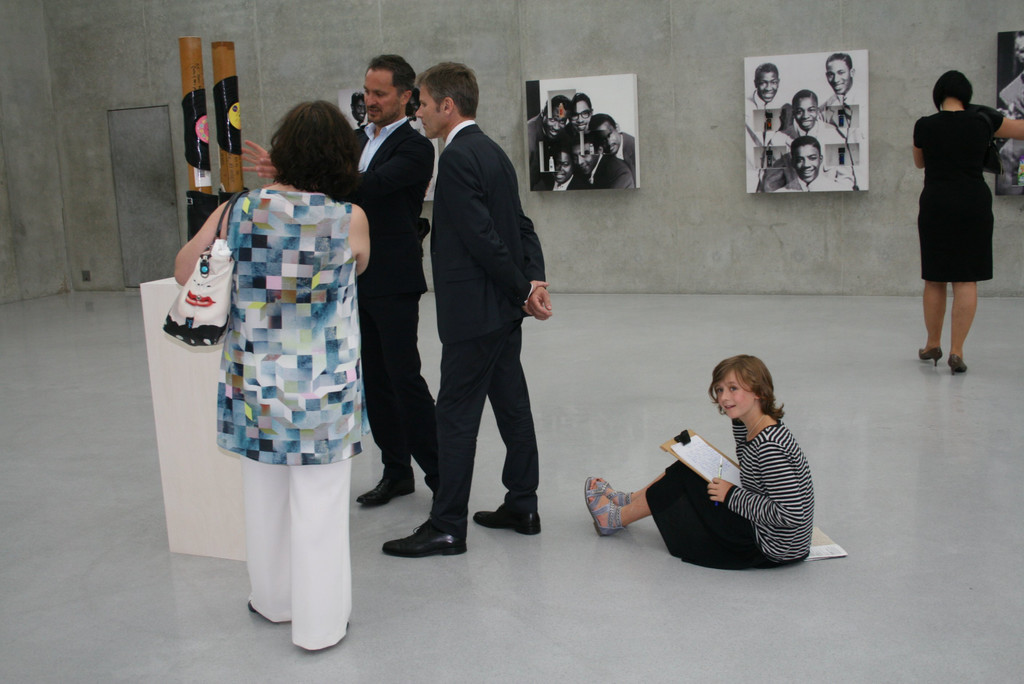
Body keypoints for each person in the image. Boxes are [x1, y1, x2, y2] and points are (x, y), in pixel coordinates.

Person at [175, 101, 369, 649]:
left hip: (255, 384)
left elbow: (185, 269)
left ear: (282, 153)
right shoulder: (348, 218)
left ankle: (273, 600)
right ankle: (319, 626)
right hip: (323, 390)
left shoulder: (237, 210)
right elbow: (360, 264)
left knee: (263, 499)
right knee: (320, 508)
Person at [243, 55, 440, 508]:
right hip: (346, 278)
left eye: (380, 93)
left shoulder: (416, 149)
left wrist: (297, 176)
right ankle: (396, 472)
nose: (369, 100)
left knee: (404, 379)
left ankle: (441, 477)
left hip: (392, 279)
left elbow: (366, 186)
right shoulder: (353, 140)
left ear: (406, 97)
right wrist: (291, 175)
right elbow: (332, 182)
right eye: (367, 92)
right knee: (374, 382)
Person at [383, 62, 552, 558]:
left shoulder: (457, 157)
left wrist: (523, 289)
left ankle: (447, 526)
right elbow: (520, 225)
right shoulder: (493, 152)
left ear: (447, 105)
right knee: (512, 407)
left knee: (454, 417)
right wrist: (533, 282)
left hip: (475, 314)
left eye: (422, 104)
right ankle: (522, 505)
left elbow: (483, 238)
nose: (418, 113)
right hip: (500, 312)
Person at [584, 355, 814, 570]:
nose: (724, 398)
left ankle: (614, 519)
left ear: (759, 392)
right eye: (720, 389)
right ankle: (629, 500)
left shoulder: (769, 447)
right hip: (771, 534)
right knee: (687, 466)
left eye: (733, 388)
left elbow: (791, 514)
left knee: (684, 477)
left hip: (771, 547)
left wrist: (731, 495)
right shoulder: (748, 424)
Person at [913, 70, 1024, 373]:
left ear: (939, 95)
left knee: (935, 277)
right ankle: (957, 350)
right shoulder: (984, 121)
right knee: (966, 278)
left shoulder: (924, 125)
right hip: (973, 203)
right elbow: (1020, 130)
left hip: (936, 202)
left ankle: (932, 343)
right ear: (966, 95)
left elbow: (919, 162)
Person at [760, 136, 851, 192]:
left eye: (812, 158)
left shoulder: (840, 190)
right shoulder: (780, 194)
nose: (806, 165)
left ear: (820, 159)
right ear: (793, 162)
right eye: (800, 160)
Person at [526, 94, 571, 188]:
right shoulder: (529, 136)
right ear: (543, 114)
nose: (556, 127)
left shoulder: (564, 135)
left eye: (562, 121)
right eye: (553, 119)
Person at [589, 113, 636, 184]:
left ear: (617, 128)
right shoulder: (603, 154)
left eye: (609, 135)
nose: (608, 142)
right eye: (602, 139)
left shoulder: (636, 149)